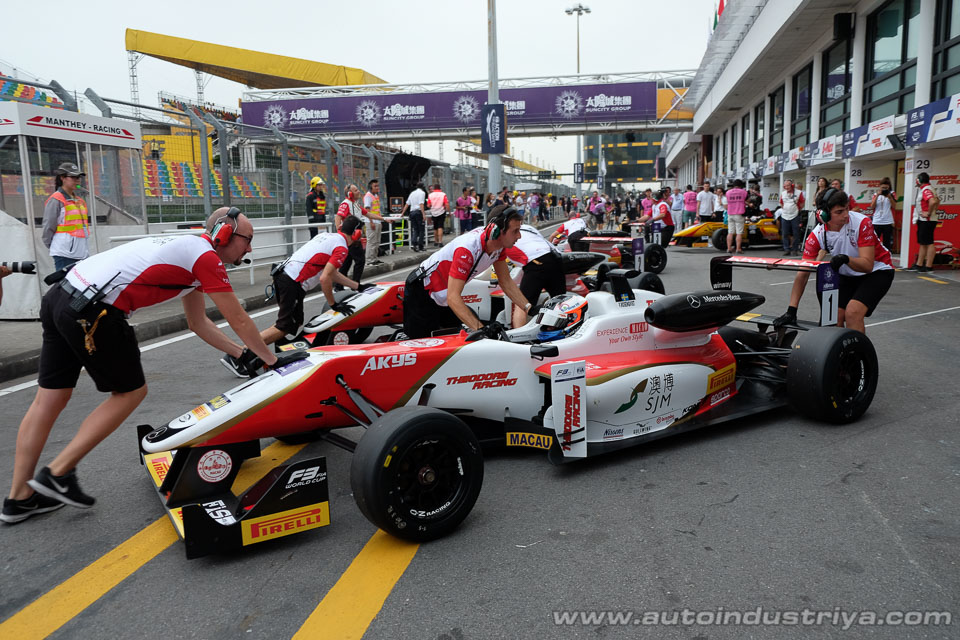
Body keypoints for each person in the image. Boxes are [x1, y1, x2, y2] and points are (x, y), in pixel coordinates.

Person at [2, 207, 291, 523]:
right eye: (247, 239)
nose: (250, 248)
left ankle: (19, 498)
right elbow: (238, 318)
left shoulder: (191, 252)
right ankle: (57, 473)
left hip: (60, 297)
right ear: (223, 234)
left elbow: (198, 322)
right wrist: (272, 360)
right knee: (130, 393)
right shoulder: (206, 257)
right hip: (94, 312)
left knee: (49, 399)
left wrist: (241, 354)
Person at [774, 188, 894, 334]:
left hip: (877, 270)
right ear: (823, 215)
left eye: (847, 209)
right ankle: (839, 354)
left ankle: (859, 354)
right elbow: (803, 273)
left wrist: (846, 259)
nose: (845, 215)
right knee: (832, 318)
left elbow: (868, 265)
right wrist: (791, 310)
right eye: (839, 212)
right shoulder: (817, 234)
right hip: (848, 272)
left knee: (853, 313)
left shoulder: (862, 223)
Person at [403, 206, 531, 338]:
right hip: (422, 291)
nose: (519, 236)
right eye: (515, 231)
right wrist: (482, 331)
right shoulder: (467, 249)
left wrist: (529, 308)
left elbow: (506, 282)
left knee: (457, 342)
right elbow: (453, 297)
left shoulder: (498, 247)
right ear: (496, 231)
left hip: (443, 297)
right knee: (425, 346)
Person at [258, 216, 369, 348]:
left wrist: (357, 286)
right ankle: (245, 351)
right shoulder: (341, 248)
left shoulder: (327, 236)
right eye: (361, 232)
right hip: (292, 281)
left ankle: (270, 346)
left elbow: (332, 273)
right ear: (355, 234)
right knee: (285, 326)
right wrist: (333, 304)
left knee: (294, 321)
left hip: (283, 274)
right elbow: (325, 278)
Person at [503, 223, 565, 317]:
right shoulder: (528, 227)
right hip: (555, 258)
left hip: (536, 262)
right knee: (559, 301)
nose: (518, 236)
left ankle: (519, 330)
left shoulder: (501, 235)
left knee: (522, 304)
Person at [42, 162, 90, 272]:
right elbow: (48, 225)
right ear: (63, 178)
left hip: (81, 251)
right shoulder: (56, 199)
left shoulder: (79, 200)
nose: (77, 180)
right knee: (64, 284)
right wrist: (56, 246)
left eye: (78, 177)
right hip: (64, 252)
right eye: (73, 177)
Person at [336, 184, 369, 285]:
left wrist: (384, 219)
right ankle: (355, 284)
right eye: (356, 190)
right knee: (360, 260)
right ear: (350, 193)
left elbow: (368, 213)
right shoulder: (346, 204)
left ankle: (339, 285)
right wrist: (340, 232)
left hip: (354, 237)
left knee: (347, 262)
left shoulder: (356, 204)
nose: (359, 191)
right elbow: (338, 217)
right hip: (351, 238)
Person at [911, 172, 940, 272]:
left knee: (929, 242)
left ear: (919, 180)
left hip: (927, 220)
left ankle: (928, 265)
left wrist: (928, 213)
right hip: (924, 220)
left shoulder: (926, 189)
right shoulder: (928, 188)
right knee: (923, 242)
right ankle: (919, 264)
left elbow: (933, 201)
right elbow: (937, 200)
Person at [779, 179, 805, 256]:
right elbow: (781, 203)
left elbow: (802, 202)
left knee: (796, 233)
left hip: (795, 215)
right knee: (785, 233)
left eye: (788, 185)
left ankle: (795, 249)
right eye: (785, 186)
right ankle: (786, 249)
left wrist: (797, 210)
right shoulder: (783, 193)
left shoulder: (798, 193)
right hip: (785, 215)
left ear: (792, 185)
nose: (787, 187)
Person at [362, 179, 385, 267]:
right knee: (371, 241)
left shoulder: (375, 196)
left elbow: (377, 210)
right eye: (375, 186)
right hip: (371, 221)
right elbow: (367, 210)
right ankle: (369, 260)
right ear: (371, 187)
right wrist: (371, 222)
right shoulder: (368, 196)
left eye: (378, 186)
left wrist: (380, 221)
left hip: (377, 221)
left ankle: (374, 258)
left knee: (376, 241)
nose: (377, 188)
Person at [869, 177, 896, 251]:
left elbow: (894, 206)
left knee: (887, 242)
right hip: (877, 221)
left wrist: (890, 197)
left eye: (886, 188)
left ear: (889, 187)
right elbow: (872, 206)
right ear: (880, 186)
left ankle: (887, 258)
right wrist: (878, 195)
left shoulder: (892, 193)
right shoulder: (876, 194)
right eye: (883, 187)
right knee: (875, 241)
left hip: (887, 221)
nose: (884, 189)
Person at [400, 182, 427, 252]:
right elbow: (421, 204)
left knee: (415, 229)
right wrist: (423, 214)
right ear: (423, 187)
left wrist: (402, 213)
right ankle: (421, 246)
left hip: (412, 213)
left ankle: (414, 244)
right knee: (421, 230)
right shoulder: (422, 193)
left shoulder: (412, 193)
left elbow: (407, 204)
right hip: (418, 212)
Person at [725, 179, 749, 253]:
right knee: (739, 232)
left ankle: (729, 248)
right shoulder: (743, 192)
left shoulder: (728, 192)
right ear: (741, 185)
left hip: (730, 213)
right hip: (739, 214)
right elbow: (747, 199)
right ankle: (738, 249)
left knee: (730, 232)